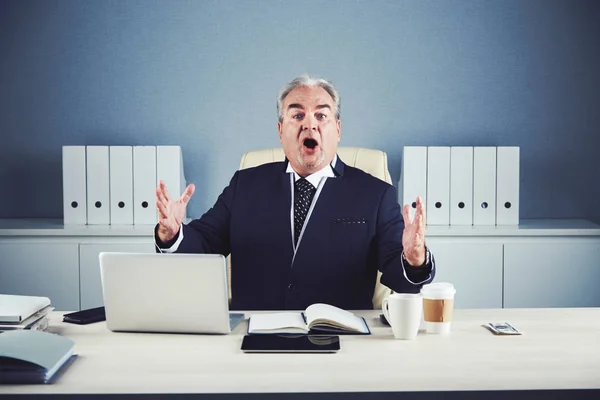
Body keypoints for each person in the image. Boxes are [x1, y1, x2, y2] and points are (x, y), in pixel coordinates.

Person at [154, 74, 435, 310]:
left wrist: (415, 259)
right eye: (297, 114)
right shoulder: (245, 185)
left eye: (321, 115)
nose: (309, 124)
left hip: (341, 340)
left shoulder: (375, 194)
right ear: (280, 130)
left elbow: (401, 279)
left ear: (337, 130)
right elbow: (203, 243)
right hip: (254, 339)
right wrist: (172, 233)